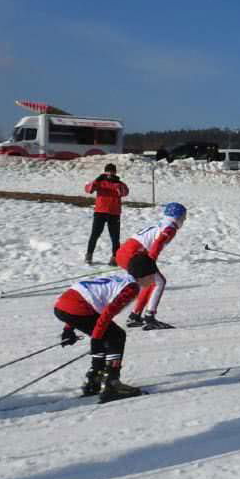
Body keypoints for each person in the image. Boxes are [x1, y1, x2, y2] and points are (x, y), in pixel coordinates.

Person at [54, 254, 158, 402]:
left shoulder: (122, 278)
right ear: (142, 275)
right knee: (116, 336)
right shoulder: (131, 288)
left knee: (106, 334)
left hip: (63, 305)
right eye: (152, 275)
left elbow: (86, 296)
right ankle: (112, 383)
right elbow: (107, 314)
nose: (154, 279)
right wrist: (95, 340)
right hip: (77, 307)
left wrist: (69, 328)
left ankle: (95, 378)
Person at [115, 202, 187, 330]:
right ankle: (149, 317)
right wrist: (151, 261)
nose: (184, 220)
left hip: (125, 253)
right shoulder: (170, 228)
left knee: (150, 283)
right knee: (160, 282)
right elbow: (158, 244)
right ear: (178, 217)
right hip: (134, 255)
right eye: (183, 217)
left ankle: (135, 316)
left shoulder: (162, 224)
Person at [84, 163, 129, 265]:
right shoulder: (100, 182)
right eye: (108, 171)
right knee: (95, 235)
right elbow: (88, 189)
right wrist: (97, 180)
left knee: (115, 237)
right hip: (100, 212)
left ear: (115, 172)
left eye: (112, 171)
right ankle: (89, 255)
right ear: (105, 172)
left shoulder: (119, 183)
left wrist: (118, 185)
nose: (110, 173)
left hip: (114, 213)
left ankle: (115, 257)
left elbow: (125, 192)